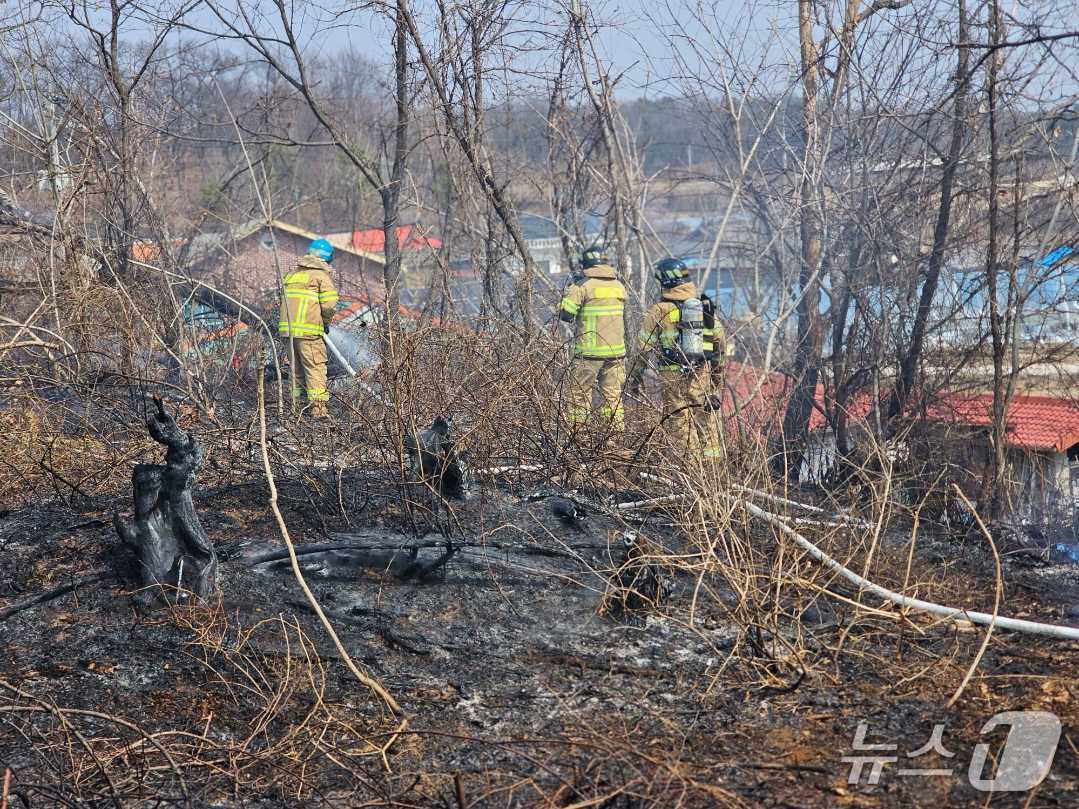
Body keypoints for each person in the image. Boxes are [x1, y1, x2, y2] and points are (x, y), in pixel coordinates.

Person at [631, 257, 722, 460]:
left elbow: (642, 349)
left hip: (671, 375)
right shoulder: (703, 306)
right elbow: (719, 344)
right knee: (706, 422)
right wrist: (716, 379)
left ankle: (690, 472)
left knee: (680, 423)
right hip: (702, 373)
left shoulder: (659, 311)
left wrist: (635, 379)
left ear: (665, 281)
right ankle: (714, 474)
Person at [558, 245, 627, 438]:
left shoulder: (582, 286)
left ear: (586, 264)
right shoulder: (618, 286)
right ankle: (615, 440)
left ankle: (580, 439)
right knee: (612, 397)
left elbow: (566, 315)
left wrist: (565, 298)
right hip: (616, 353)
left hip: (589, 354)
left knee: (579, 396)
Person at [278, 238, 339, 418]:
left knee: (296, 370)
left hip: (288, 332)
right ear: (327, 259)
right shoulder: (321, 277)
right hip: (309, 332)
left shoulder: (292, 274)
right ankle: (318, 411)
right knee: (315, 369)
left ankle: (295, 410)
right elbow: (329, 306)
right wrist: (325, 324)